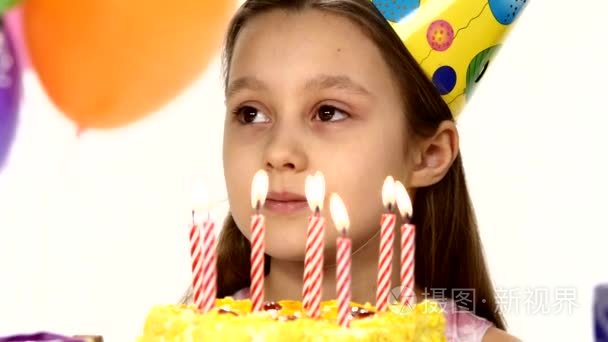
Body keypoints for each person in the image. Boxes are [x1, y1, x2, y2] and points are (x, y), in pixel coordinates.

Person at [184, 1, 520, 341]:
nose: (279, 152)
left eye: (329, 112)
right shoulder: (191, 335)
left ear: (429, 155)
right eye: (250, 113)